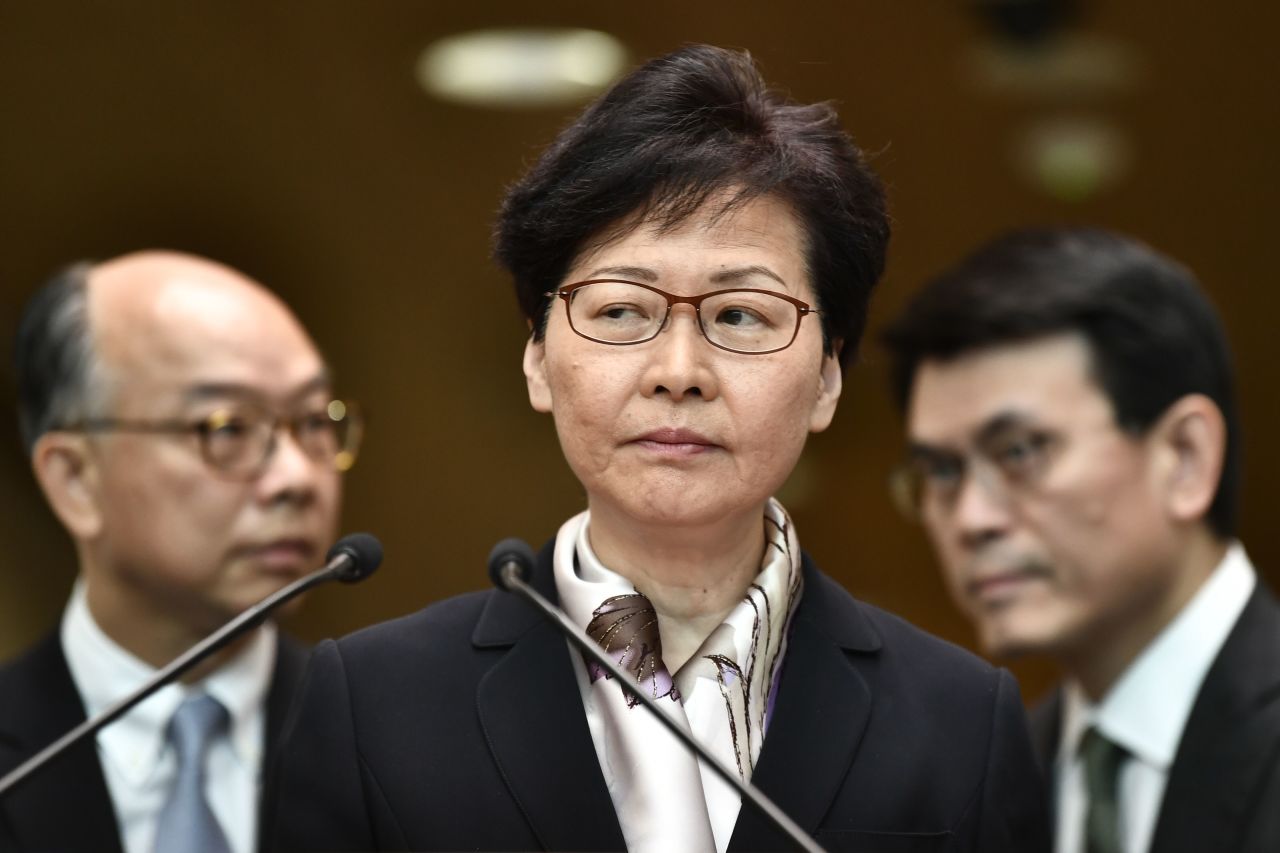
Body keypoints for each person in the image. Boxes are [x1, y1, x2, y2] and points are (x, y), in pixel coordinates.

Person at [271, 45, 1048, 852]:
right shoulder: (372, 701)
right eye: (620, 311)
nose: (679, 373)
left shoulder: (963, 719)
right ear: (538, 357)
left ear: (826, 377)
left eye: (741, 314)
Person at [882, 227, 1280, 853]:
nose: (970, 519)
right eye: (942, 472)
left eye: (1019, 452)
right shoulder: (992, 782)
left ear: (1184, 457)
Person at [0, 251, 363, 853]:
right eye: (226, 428)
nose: (298, 477)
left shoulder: (390, 746)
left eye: (314, 422)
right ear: (74, 480)